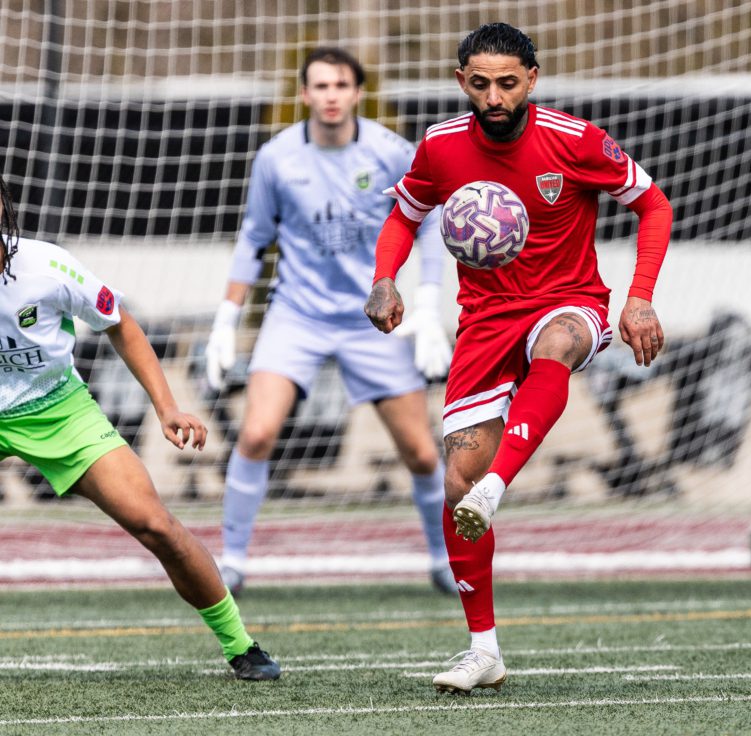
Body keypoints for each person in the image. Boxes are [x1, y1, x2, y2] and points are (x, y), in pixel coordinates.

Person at [365, 23, 672, 694]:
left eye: (508, 83)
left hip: (572, 301)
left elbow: (653, 204)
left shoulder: (576, 140)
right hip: (485, 322)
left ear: (532, 78)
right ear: (461, 84)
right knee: (453, 486)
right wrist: (385, 279)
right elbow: (402, 215)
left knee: (556, 345)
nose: (495, 97)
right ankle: (484, 651)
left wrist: (640, 298)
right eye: (481, 84)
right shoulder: (441, 148)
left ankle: (498, 485)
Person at [0, 174, 280, 681]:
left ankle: (240, 645)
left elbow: (120, 324)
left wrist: (167, 406)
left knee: (157, 526)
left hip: (57, 409)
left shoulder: (46, 266)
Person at [205, 47, 457, 595]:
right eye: (320, 86)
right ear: (304, 95)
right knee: (255, 433)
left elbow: (429, 224)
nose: (331, 95)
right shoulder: (276, 158)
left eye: (341, 84)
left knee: (418, 449)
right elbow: (253, 238)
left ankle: (444, 560)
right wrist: (226, 319)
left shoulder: (391, 153)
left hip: (374, 317)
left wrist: (431, 308)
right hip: (296, 313)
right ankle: (232, 562)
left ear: (358, 92)